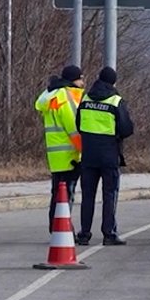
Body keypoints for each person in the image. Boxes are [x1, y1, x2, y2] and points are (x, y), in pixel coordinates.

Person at [75, 65, 133, 245]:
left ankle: (84, 234)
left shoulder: (85, 99)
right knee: (109, 195)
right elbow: (126, 129)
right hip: (109, 155)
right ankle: (109, 233)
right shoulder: (116, 101)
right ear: (113, 82)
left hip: (89, 155)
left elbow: (78, 124)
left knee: (88, 196)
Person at [34, 63, 84, 225]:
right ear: (73, 80)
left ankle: (54, 226)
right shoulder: (67, 97)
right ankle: (62, 229)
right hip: (70, 155)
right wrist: (83, 153)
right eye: (81, 79)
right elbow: (74, 129)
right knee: (66, 195)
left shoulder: (52, 96)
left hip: (55, 155)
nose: (83, 83)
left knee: (57, 193)